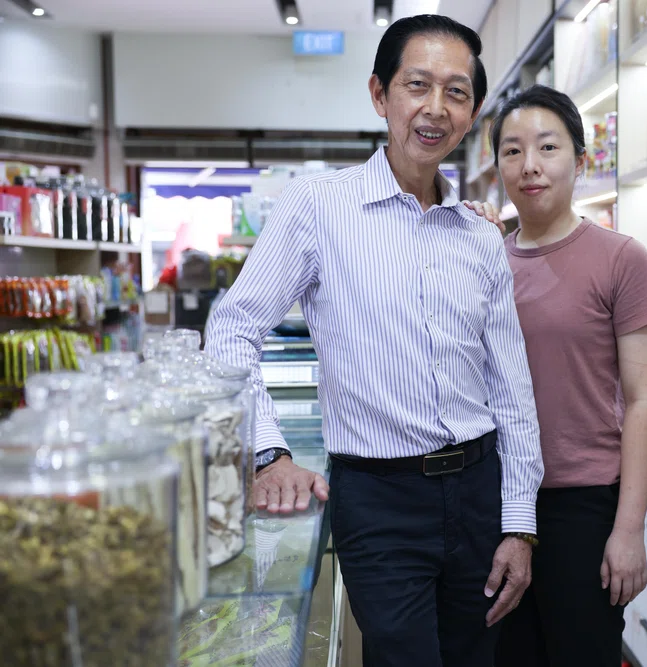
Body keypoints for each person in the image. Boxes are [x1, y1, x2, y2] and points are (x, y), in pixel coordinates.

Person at [205, 15, 544, 667]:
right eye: (418, 85)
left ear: (473, 109)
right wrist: (267, 451)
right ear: (379, 94)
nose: (435, 108)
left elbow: (511, 390)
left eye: (457, 91)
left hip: (479, 492)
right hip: (380, 501)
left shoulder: (479, 235)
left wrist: (519, 522)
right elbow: (232, 329)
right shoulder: (318, 206)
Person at [485, 85, 647, 666]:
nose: (530, 166)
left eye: (547, 147)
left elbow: (644, 400)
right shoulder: (482, 260)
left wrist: (629, 529)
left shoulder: (622, 259)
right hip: (494, 501)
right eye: (512, 151)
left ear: (581, 161)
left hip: (583, 507)